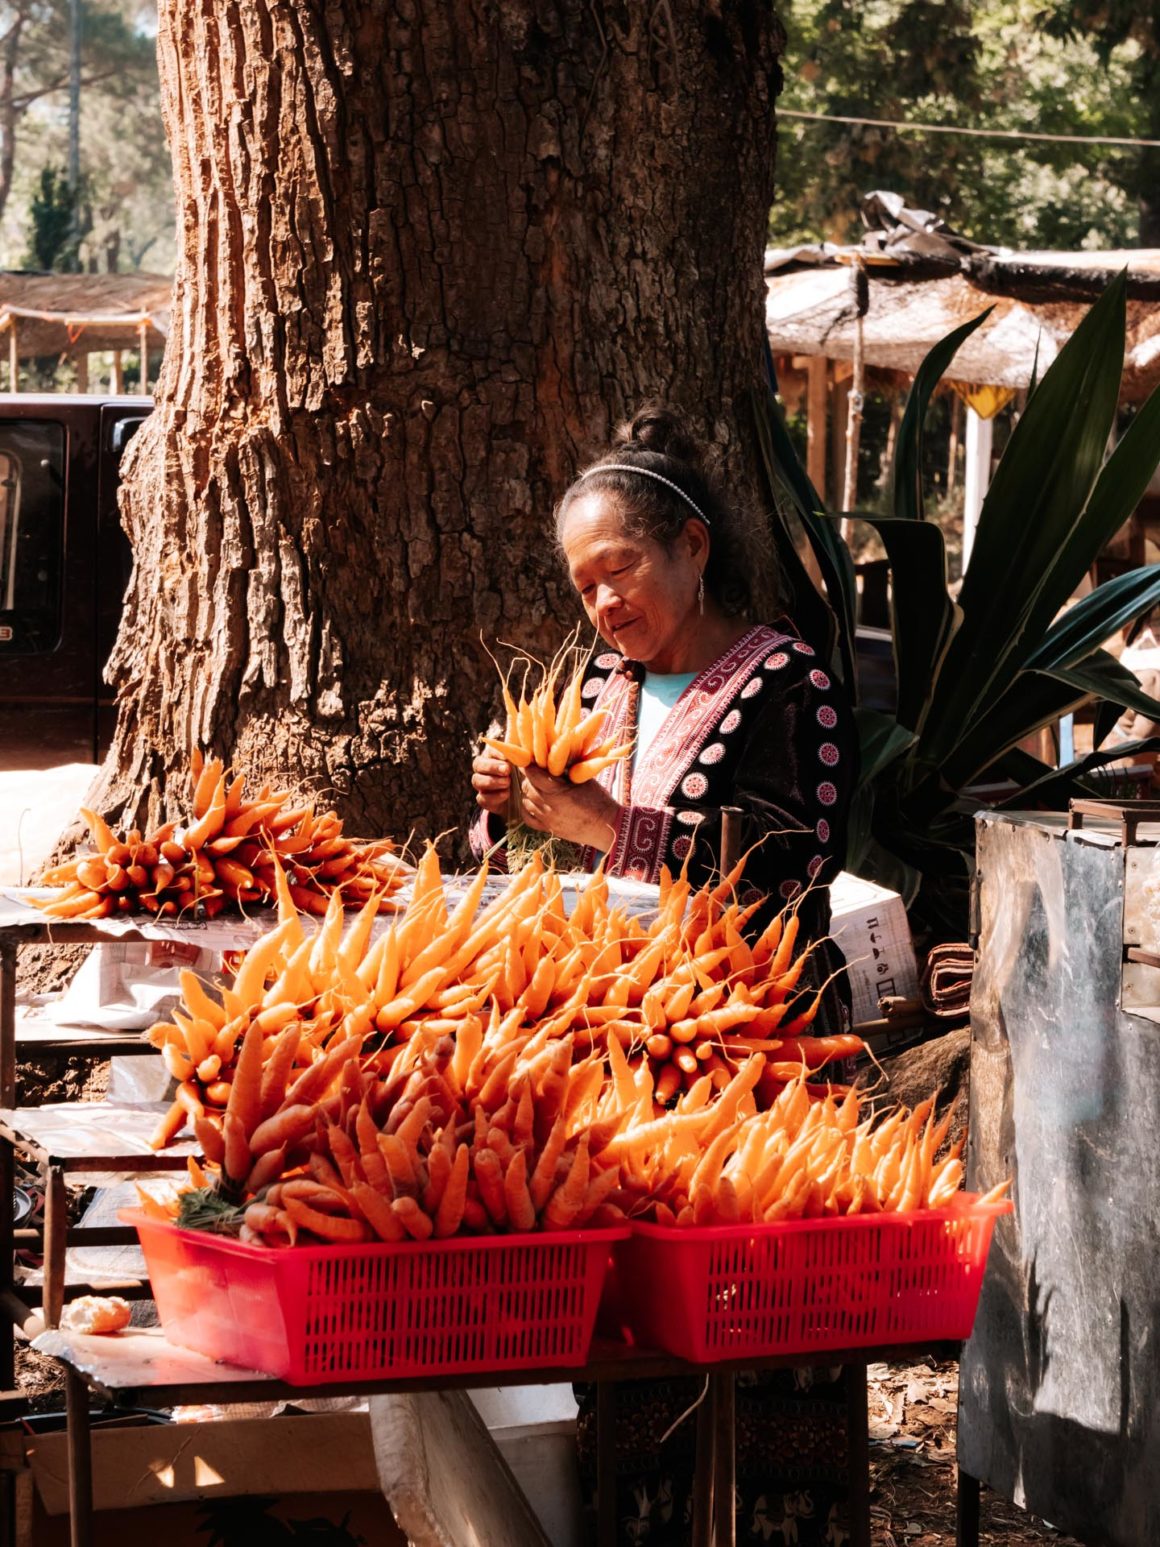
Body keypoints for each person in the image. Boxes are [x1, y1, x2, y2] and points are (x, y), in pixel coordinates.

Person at [469, 404, 858, 1546]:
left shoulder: (790, 684)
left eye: (621, 568)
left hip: (756, 1061)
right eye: (583, 584)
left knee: (761, 1319)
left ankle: (781, 1527)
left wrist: (611, 827)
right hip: (616, 1059)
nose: (604, 603)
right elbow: (539, 862)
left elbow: (795, 861)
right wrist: (512, 813)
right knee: (627, 1331)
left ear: (692, 544)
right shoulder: (592, 686)